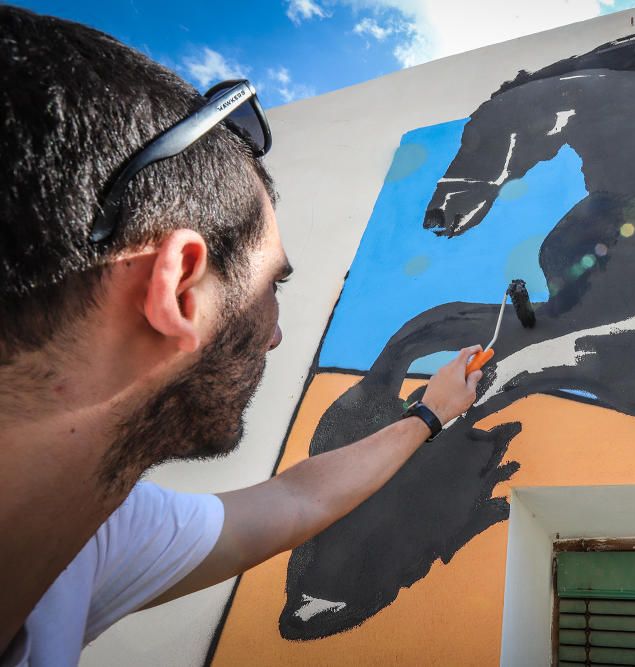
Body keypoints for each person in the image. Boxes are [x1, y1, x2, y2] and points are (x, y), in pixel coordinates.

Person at [0, 7, 484, 665]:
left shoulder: (86, 535)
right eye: (270, 287)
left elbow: (298, 496)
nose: (278, 334)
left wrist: (431, 412)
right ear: (178, 288)